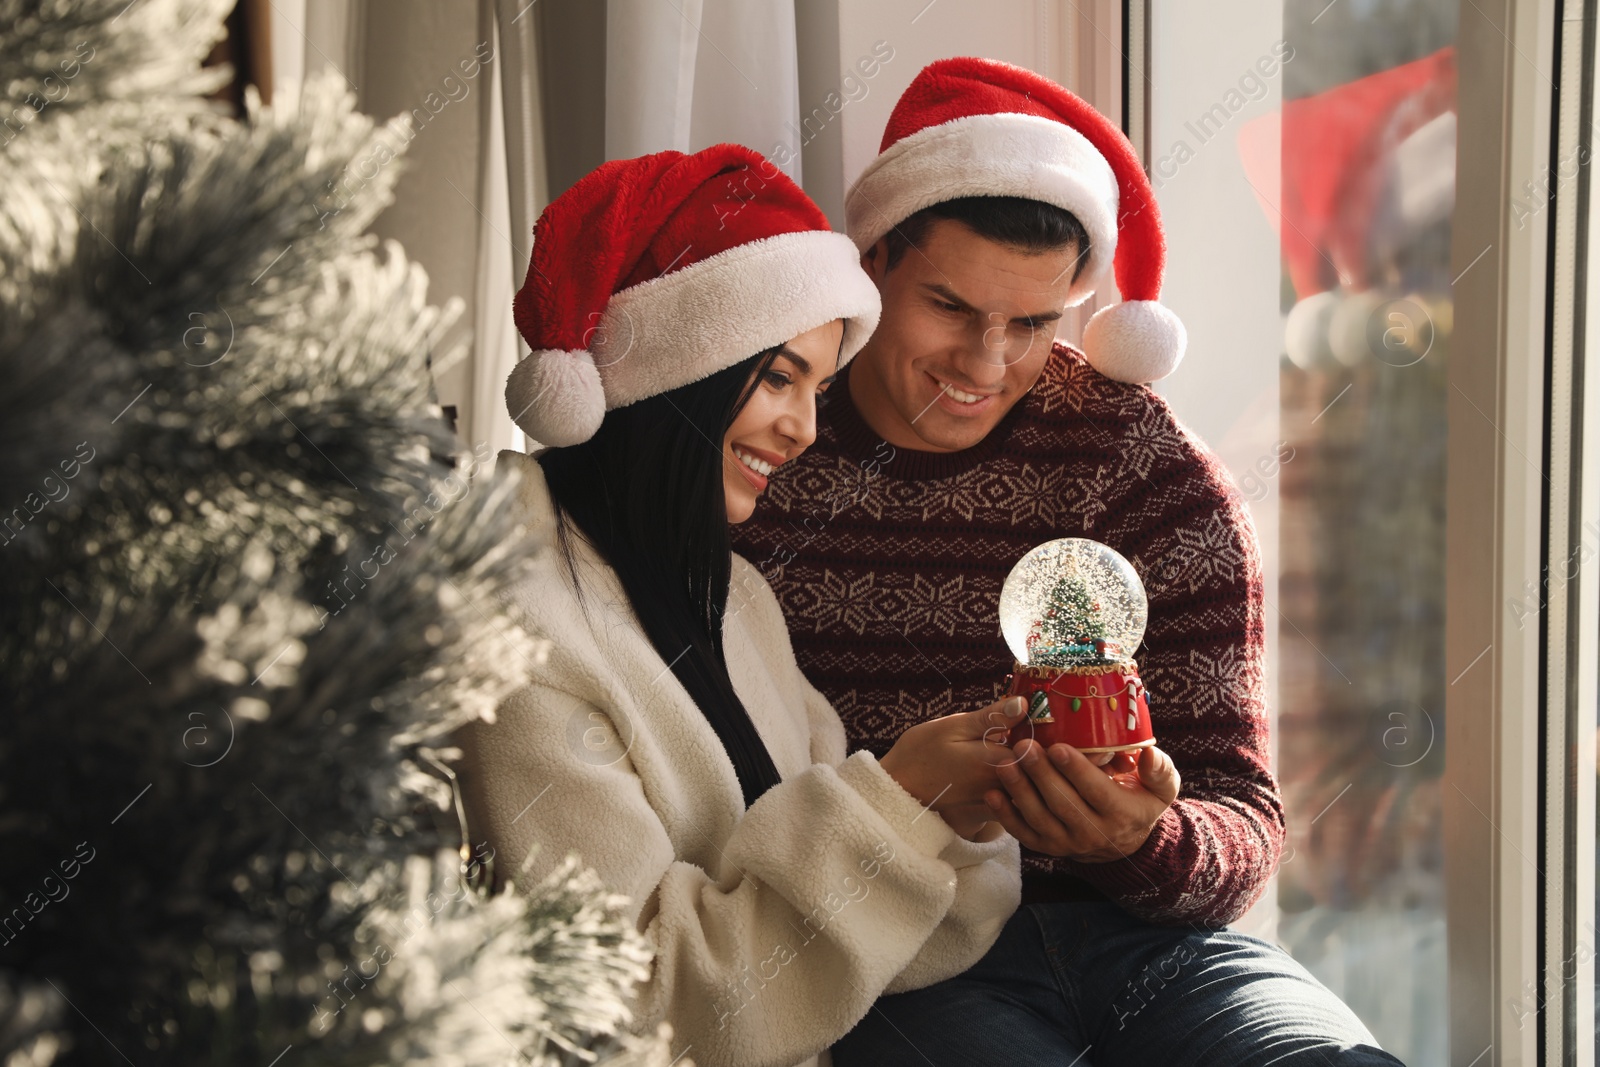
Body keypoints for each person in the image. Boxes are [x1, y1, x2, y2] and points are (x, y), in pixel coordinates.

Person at [731, 58, 1405, 1064]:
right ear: (871, 267)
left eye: (1034, 322)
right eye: (951, 306)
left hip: (1156, 946)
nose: (985, 362)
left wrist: (1142, 839)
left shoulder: (1136, 463)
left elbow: (1245, 827)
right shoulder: (768, 452)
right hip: (911, 947)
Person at [455, 144, 1028, 1067]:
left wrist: (962, 812)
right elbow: (635, 1004)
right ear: (678, 367)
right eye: (777, 377)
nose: (803, 429)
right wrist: (901, 801)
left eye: (820, 389)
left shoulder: (736, 600)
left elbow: (859, 947)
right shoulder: (517, 632)